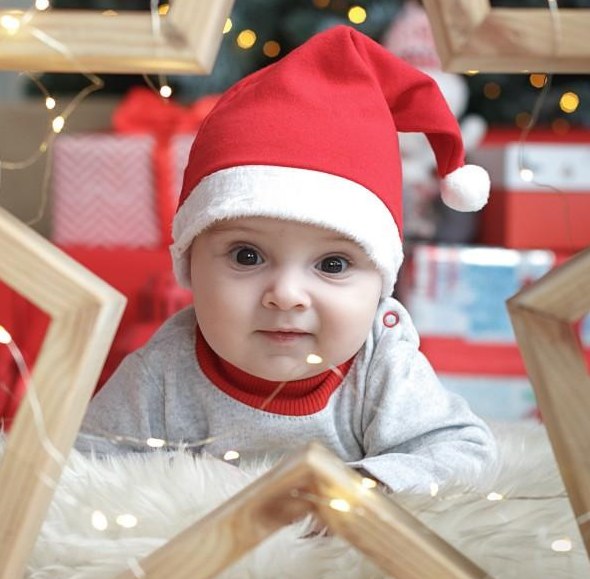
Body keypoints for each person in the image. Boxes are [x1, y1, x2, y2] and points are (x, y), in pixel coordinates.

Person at [76, 24, 497, 493]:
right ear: (190, 264)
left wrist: (370, 485)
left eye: (332, 265)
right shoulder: (162, 374)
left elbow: (465, 453)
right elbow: (86, 464)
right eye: (247, 255)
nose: (287, 295)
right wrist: (180, 479)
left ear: (381, 284)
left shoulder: (380, 365)